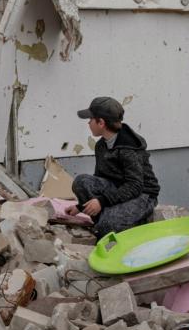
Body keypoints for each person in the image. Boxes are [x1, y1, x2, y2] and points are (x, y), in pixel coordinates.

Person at [67, 96, 160, 239]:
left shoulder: (128, 149)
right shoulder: (101, 145)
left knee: (107, 226)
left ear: (101, 123)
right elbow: (99, 179)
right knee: (81, 182)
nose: (88, 123)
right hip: (118, 189)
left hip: (143, 194)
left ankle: (133, 220)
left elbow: (135, 185)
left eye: (91, 119)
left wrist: (102, 201)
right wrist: (81, 207)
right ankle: (107, 222)